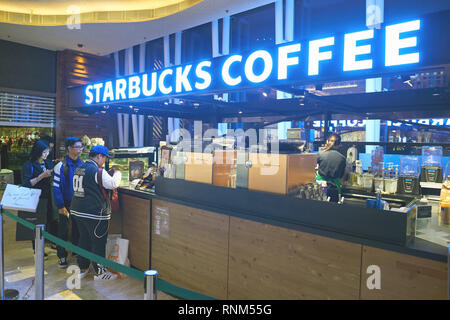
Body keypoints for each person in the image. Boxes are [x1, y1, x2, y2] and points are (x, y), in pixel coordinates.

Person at [70, 145, 121, 280]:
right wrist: (117, 173)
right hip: (94, 212)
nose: (104, 161)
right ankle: (100, 272)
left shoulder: (79, 168)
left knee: (84, 239)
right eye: (104, 158)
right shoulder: (97, 171)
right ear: (99, 156)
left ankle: (83, 268)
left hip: (77, 210)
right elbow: (113, 184)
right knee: (98, 242)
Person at [20, 140, 55, 258]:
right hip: (36, 198)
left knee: (49, 221)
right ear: (38, 151)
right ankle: (38, 250)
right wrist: (41, 176)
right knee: (37, 224)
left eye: (48, 152)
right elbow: (26, 184)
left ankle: (50, 243)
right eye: (44, 152)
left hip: (49, 197)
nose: (46, 155)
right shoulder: (29, 165)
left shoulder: (49, 163)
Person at [53, 137, 83, 268]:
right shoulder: (60, 166)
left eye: (81, 147)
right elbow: (56, 187)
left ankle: (76, 252)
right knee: (63, 231)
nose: (80, 149)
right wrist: (60, 206)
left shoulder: (83, 165)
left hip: (79, 203)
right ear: (69, 148)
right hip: (65, 204)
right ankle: (62, 256)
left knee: (78, 230)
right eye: (77, 147)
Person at [316, 133, 346, 203]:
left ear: (327, 142)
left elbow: (313, 167)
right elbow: (341, 175)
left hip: (320, 186)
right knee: (332, 211)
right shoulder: (342, 158)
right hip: (334, 187)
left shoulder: (320, 154)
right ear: (339, 145)